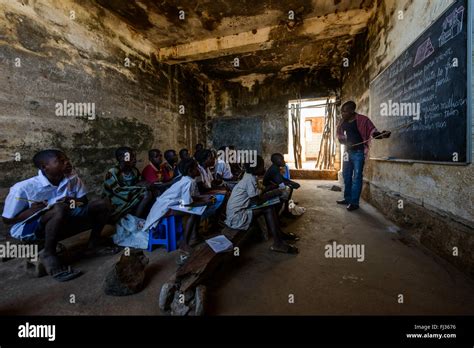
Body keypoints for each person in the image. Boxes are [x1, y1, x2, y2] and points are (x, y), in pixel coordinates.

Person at [2, 150, 112, 281]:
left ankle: (93, 244)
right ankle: (49, 254)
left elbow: (83, 202)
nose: (67, 163)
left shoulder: (72, 178)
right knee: (59, 209)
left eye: (67, 159)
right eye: (61, 161)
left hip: (64, 217)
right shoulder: (23, 188)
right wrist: (30, 212)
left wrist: (71, 202)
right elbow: (7, 220)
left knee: (102, 204)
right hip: (31, 227)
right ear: (44, 167)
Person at [143, 158, 214, 262]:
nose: (199, 169)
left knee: (197, 210)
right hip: (163, 207)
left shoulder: (189, 179)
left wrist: (204, 198)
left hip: (171, 204)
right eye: (196, 168)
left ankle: (194, 236)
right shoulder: (188, 182)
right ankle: (184, 244)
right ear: (190, 170)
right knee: (193, 213)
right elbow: (188, 203)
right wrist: (205, 202)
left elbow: (190, 197)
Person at [225, 156, 299, 254]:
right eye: (262, 166)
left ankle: (279, 235)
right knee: (269, 208)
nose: (264, 168)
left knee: (271, 204)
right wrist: (272, 195)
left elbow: (260, 191)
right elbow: (256, 201)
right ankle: (278, 243)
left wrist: (272, 188)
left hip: (239, 211)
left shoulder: (249, 175)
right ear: (255, 168)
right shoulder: (249, 179)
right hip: (237, 217)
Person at [336, 101, 391, 211]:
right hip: (347, 152)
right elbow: (340, 137)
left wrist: (381, 135)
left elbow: (373, 132)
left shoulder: (363, 120)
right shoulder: (342, 122)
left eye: (344, 111)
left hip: (358, 153)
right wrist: (345, 142)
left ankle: (354, 202)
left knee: (357, 177)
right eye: (341, 111)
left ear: (352, 111)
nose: (342, 114)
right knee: (346, 176)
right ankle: (347, 198)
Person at [103, 147, 153, 220]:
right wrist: (139, 187)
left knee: (152, 192)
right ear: (121, 158)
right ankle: (135, 219)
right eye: (131, 157)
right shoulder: (112, 172)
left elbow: (140, 183)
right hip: (117, 200)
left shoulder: (134, 171)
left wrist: (145, 184)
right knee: (146, 194)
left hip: (131, 196)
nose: (134, 159)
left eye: (134, 156)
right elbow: (117, 191)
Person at [263, 153, 300, 217]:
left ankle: (285, 210)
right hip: (268, 189)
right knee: (285, 192)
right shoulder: (274, 169)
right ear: (277, 161)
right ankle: (276, 217)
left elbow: (282, 179)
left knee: (289, 187)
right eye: (282, 160)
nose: (284, 161)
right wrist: (292, 183)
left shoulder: (275, 167)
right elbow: (280, 183)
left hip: (273, 186)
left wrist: (292, 182)